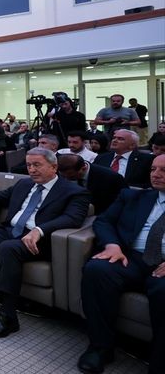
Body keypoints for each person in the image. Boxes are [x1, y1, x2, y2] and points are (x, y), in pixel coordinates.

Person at [0, 148, 90, 338]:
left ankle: (8, 315)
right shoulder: (24, 183)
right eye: (28, 165)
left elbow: (73, 218)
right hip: (11, 231)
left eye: (37, 165)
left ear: (54, 167)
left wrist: (39, 230)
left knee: (7, 248)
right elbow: (1, 196)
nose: (32, 170)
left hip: (40, 240)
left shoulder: (75, 192)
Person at [77, 154, 165, 374]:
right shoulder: (133, 196)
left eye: (163, 170)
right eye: (153, 169)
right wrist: (112, 245)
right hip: (130, 257)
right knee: (97, 269)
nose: (155, 174)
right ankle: (100, 347)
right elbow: (104, 221)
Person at [56, 154, 127, 215]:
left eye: (71, 176)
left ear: (83, 168)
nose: (66, 179)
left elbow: (120, 203)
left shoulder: (110, 178)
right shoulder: (62, 172)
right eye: (63, 176)